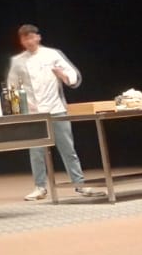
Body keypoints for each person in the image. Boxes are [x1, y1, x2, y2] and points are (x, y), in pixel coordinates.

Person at [9, 24, 105, 201]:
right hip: (34, 113)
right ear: (21, 41)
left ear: (38, 37)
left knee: (68, 149)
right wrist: (22, 109)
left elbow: (72, 75)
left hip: (56, 109)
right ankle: (40, 187)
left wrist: (63, 75)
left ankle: (79, 183)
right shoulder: (18, 61)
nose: (29, 41)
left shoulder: (52, 54)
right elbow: (12, 86)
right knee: (36, 151)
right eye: (25, 38)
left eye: (31, 37)